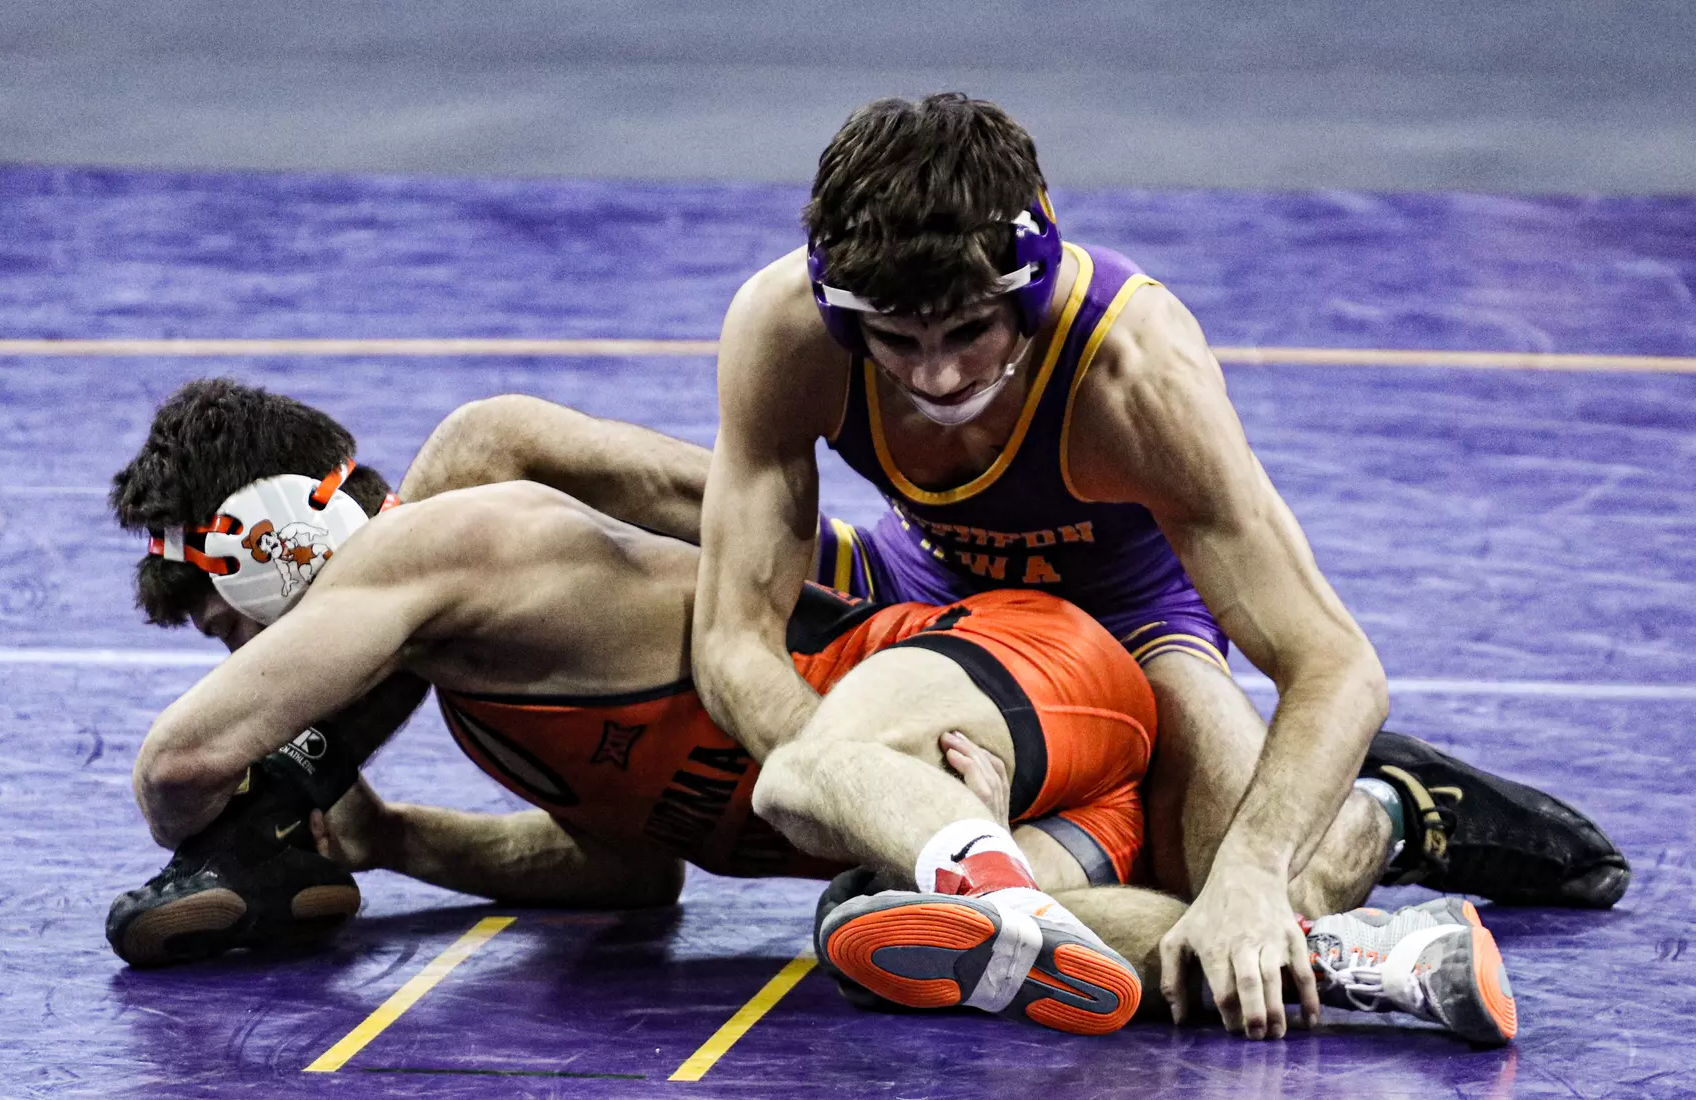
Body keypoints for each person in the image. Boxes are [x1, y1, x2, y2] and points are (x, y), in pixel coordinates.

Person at [107, 380, 1520, 1044]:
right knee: (884, 936)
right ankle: (1375, 919)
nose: (248, 663)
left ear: (287, 544)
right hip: (978, 786)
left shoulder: (440, 542)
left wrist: (253, 805)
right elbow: (629, 870)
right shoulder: (476, 707)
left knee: (815, 775)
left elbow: (185, 761)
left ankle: (951, 845)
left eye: (235, 629)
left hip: (993, 666)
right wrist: (396, 836)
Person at [677, 92, 1627, 1040]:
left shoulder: (1135, 371)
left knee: (1248, 898)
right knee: (876, 850)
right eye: (897, 341)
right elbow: (732, 642)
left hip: (1135, 625)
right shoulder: (788, 331)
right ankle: (1326, 937)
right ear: (846, 315)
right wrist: (874, 794)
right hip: (929, 592)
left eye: (968, 331)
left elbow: (1335, 663)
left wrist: (1249, 877)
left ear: (1032, 278)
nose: (936, 377)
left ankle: (1390, 808)